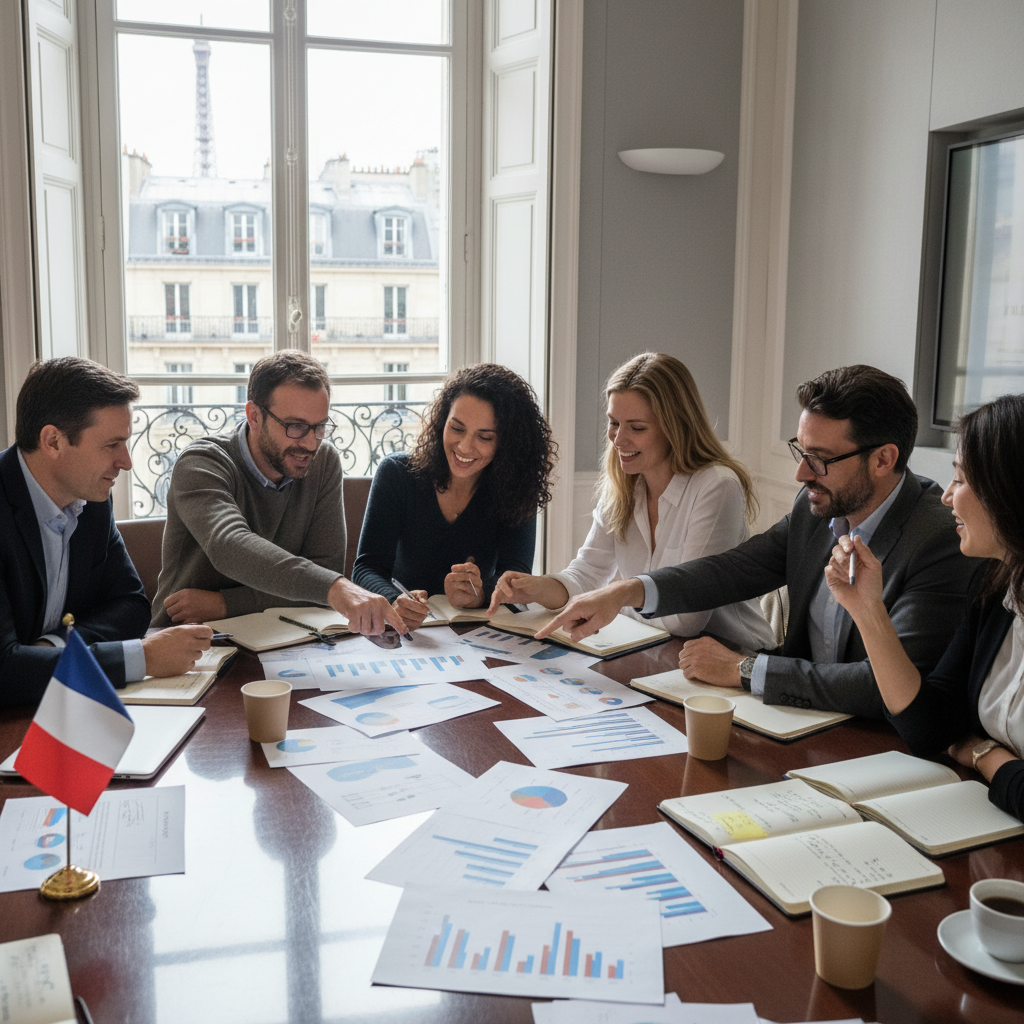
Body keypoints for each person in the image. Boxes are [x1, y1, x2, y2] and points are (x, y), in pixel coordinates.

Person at [536, 364, 977, 718]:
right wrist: (625, 591)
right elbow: (736, 569)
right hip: (796, 719)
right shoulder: (816, 506)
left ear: (884, 459)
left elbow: (887, 686)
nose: (801, 475)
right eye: (800, 452)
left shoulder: (937, 541)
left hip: (876, 744)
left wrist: (746, 669)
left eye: (820, 459)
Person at [486, 352, 774, 648]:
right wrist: (539, 588)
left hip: (734, 656)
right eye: (613, 423)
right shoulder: (624, 484)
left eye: (637, 428)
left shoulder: (717, 486)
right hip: (659, 650)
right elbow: (588, 573)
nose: (618, 439)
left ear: (676, 427)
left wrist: (617, 597)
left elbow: (686, 620)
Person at [826, 394, 1024, 819]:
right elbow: (929, 728)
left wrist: (984, 754)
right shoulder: (994, 592)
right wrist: (867, 610)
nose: (947, 496)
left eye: (962, 479)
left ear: (1009, 493)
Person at [0, 357, 211, 707]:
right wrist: (141, 658)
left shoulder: (91, 499)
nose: (126, 461)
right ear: (53, 441)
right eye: (111, 445)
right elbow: (5, 671)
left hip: (60, 709)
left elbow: (130, 606)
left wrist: (52, 646)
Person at [151, 351, 406, 636]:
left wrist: (226, 602)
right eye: (295, 426)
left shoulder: (323, 462)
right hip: (187, 637)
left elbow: (324, 567)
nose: (310, 443)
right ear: (254, 416)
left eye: (320, 426)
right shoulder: (201, 463)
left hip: (281, 635)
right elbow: (230, 546)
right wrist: (333, 588)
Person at [352, 363, 557, 628]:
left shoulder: (517, 486)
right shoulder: (397, 474)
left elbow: (515, 576)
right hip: (403, 630)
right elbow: (366, 568)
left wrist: (481, 595)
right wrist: (394, 600)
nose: (464, 446)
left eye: (484, 437)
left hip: (475, 632)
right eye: (457, 429)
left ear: (508, 443)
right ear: (442, 422)